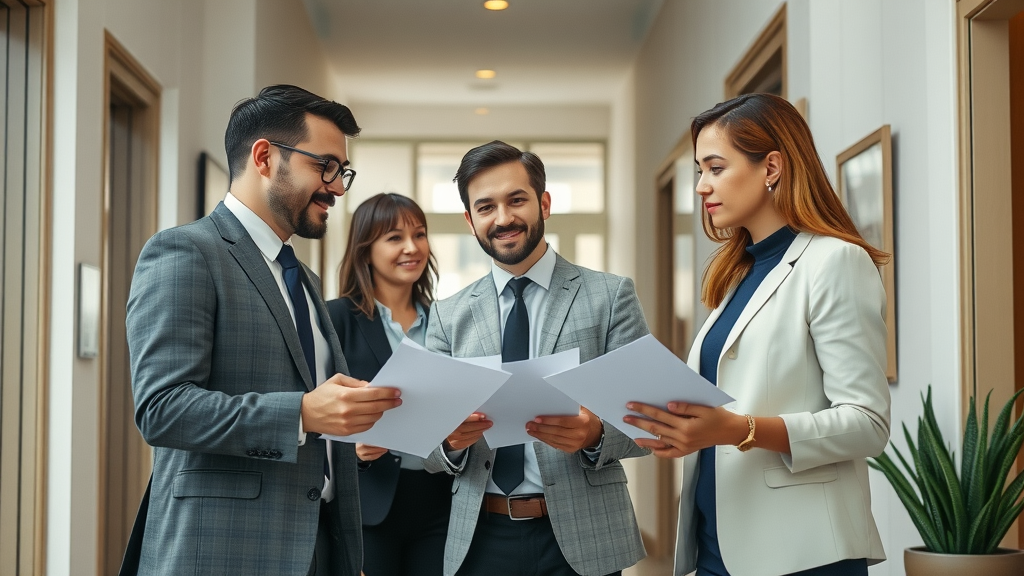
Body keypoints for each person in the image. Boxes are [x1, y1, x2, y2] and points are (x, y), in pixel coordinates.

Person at [123, 84, 402, 576]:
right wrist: (302, 412)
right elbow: (162, 409)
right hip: (224, 551)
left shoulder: (304, 278)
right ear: (265, 157)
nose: (338, 188)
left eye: (342, 171)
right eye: (326, 167)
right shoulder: (186, 252)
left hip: (317, 548)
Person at [623, 93, 891, 576]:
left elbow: (867, 423)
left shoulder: (835, 261)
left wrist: (737, 429)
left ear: (771, 167)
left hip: (802, 553)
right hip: (716, 547)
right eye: (699, 171)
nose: (701, 186)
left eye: (715, 168)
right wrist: (679, 425)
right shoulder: (739, 273)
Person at [422, 140, 650, 576]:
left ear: (544, 203)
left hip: (586, 535)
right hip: (480, 538)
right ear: (470, 221)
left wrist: (595, 433)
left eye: (516, 200)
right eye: (486, 207)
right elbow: (428, 448)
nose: (503, 218)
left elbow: (648, 419)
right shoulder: (448, 315)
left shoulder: (609, 296)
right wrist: (448, 440)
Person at [325, 192, 451, 576]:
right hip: (368, 504)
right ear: (366, 250)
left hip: (440, 501)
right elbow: (314, 412)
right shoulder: (336, 318)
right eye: (395, 237)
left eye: (419, 234)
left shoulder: (444, 321)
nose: (412, 247)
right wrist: (353, 451)